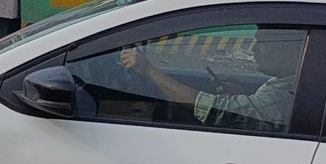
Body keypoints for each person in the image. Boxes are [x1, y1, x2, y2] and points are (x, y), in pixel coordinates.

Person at [121, 28, 306, 131]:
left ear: (293, 52)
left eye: (264, 43)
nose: (253, 49)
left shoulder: (283, 95)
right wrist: (241, 93)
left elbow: (213, 112)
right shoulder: (289, 81)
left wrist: (149, 71)